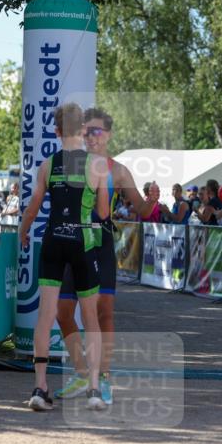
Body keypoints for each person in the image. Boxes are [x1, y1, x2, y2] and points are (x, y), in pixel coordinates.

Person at [53, 107, 158, 406]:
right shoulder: (71, 163)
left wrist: (151, 201)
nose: (90, 137)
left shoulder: (118, 170)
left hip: (100, 242)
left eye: (96, 132)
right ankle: (83, 372)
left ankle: (106, 377)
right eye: (86, 132)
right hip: (71, 241)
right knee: (62, 312)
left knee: (104, 312)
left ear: (108, 135)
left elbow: (140, 208)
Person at [19, 103, 111, 412]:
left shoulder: (47, 164)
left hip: (52, 239)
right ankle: (94, 389)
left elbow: (33, 207)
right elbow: (103, 213)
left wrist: (23, 230)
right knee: (90, 318)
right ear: (83, 130)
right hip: (82, 241)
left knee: (46, 315)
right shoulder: (97, 165)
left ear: (57, 132)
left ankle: (40, 386)